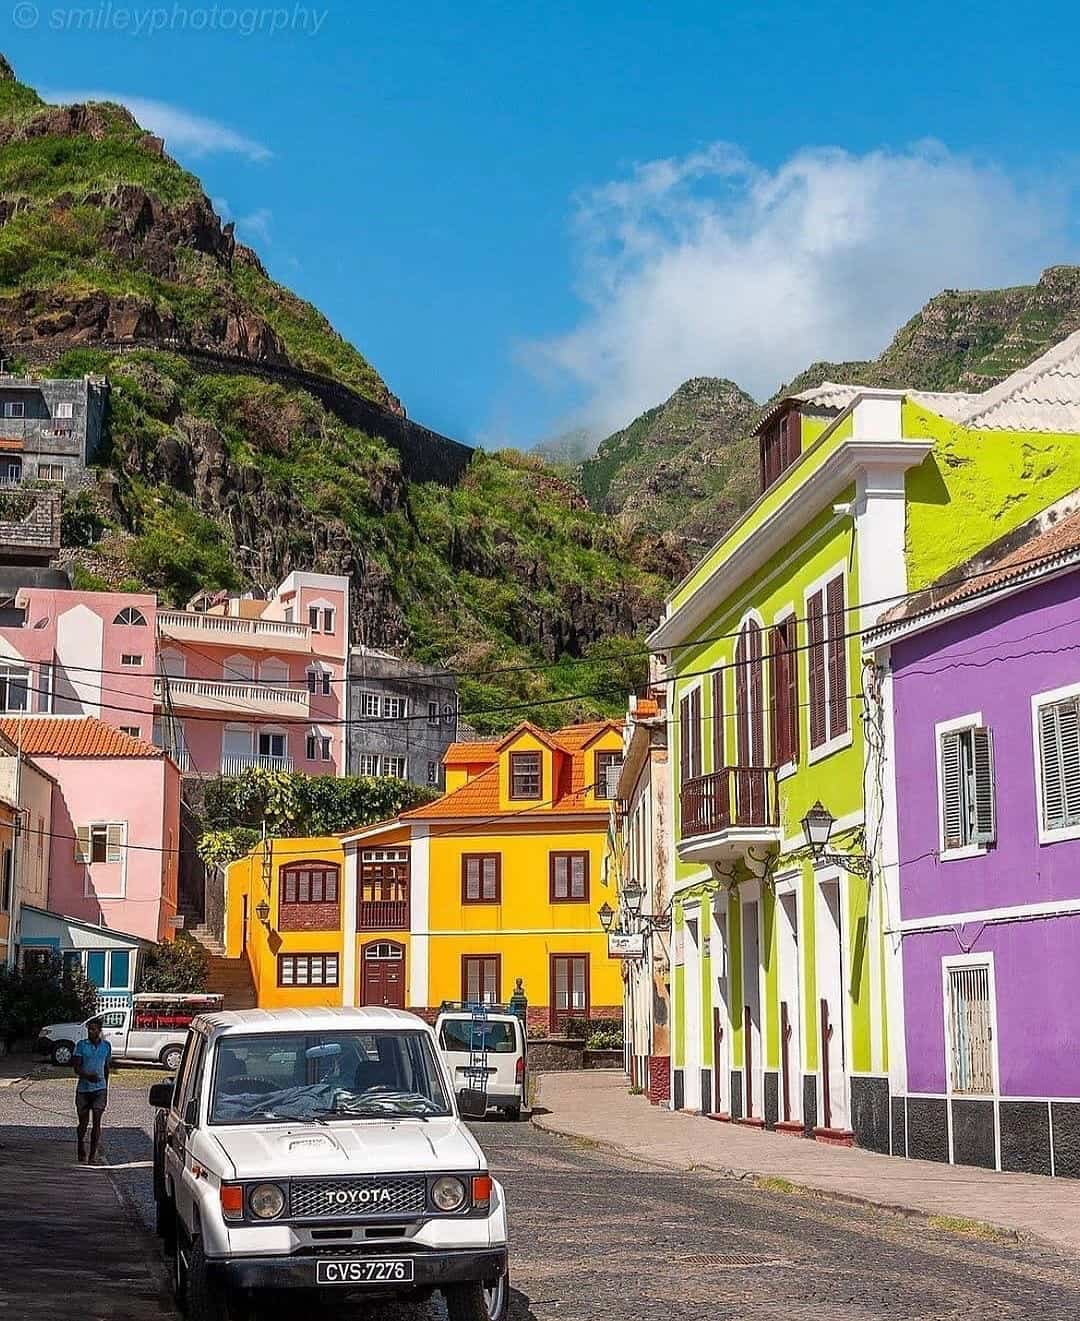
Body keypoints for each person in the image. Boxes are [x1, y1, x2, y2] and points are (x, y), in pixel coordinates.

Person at [72, 1017, 111, 1165]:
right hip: (83, 1090)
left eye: (94, 1029)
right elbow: (76, 1068)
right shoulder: (81, 1045)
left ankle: (92, 1155)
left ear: (99, 1031)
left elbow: (106, 1067)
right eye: (89, 1029)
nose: (91, 1032)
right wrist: (88, 1076)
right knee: (83, 1122)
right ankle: (81, 1143)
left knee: (97, 1121)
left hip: (100, 1090)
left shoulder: (106, 1046)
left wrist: (106, 1086)